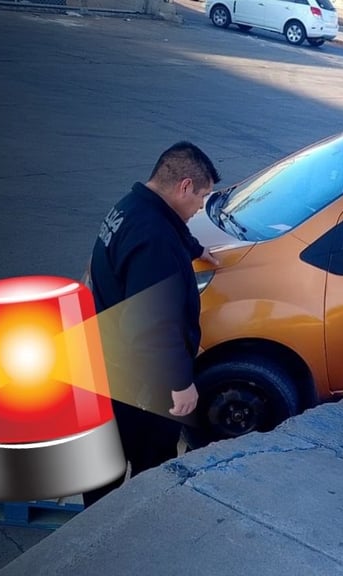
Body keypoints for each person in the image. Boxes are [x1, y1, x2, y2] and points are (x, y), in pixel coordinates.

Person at [82, 141, 221, 506]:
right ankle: (125, 533)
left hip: (104, 362)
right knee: (148, 459)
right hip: (137, 383)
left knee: (103, 460)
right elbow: (152, 326)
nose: (200, 208)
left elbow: (161, 233)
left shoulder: (131, 207)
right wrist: (180, 384)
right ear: (185, 186)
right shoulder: (155, 239)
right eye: (202, 197)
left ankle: (95, 525)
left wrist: (193, 248)